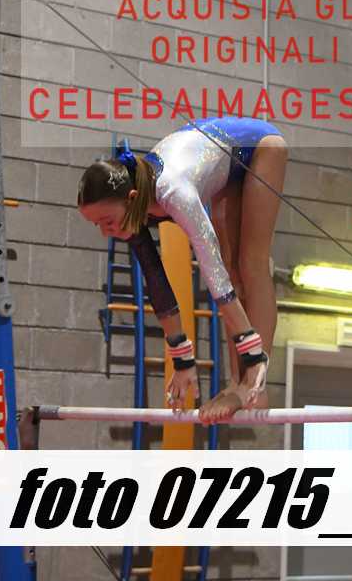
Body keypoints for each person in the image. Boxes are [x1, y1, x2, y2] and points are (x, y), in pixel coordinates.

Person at [77, 116, 287, 423]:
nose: (105, 232)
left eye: (106, 221)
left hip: (259, 146)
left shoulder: (174, 191)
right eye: (97, 224)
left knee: (249, 262)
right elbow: (155, 278)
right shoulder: (133, 208)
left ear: (132, 199)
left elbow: (212, 268)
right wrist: (182, 359)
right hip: (221, 156)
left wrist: (254, 353)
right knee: (231, 268)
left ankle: (255, 386)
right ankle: (236, 385)